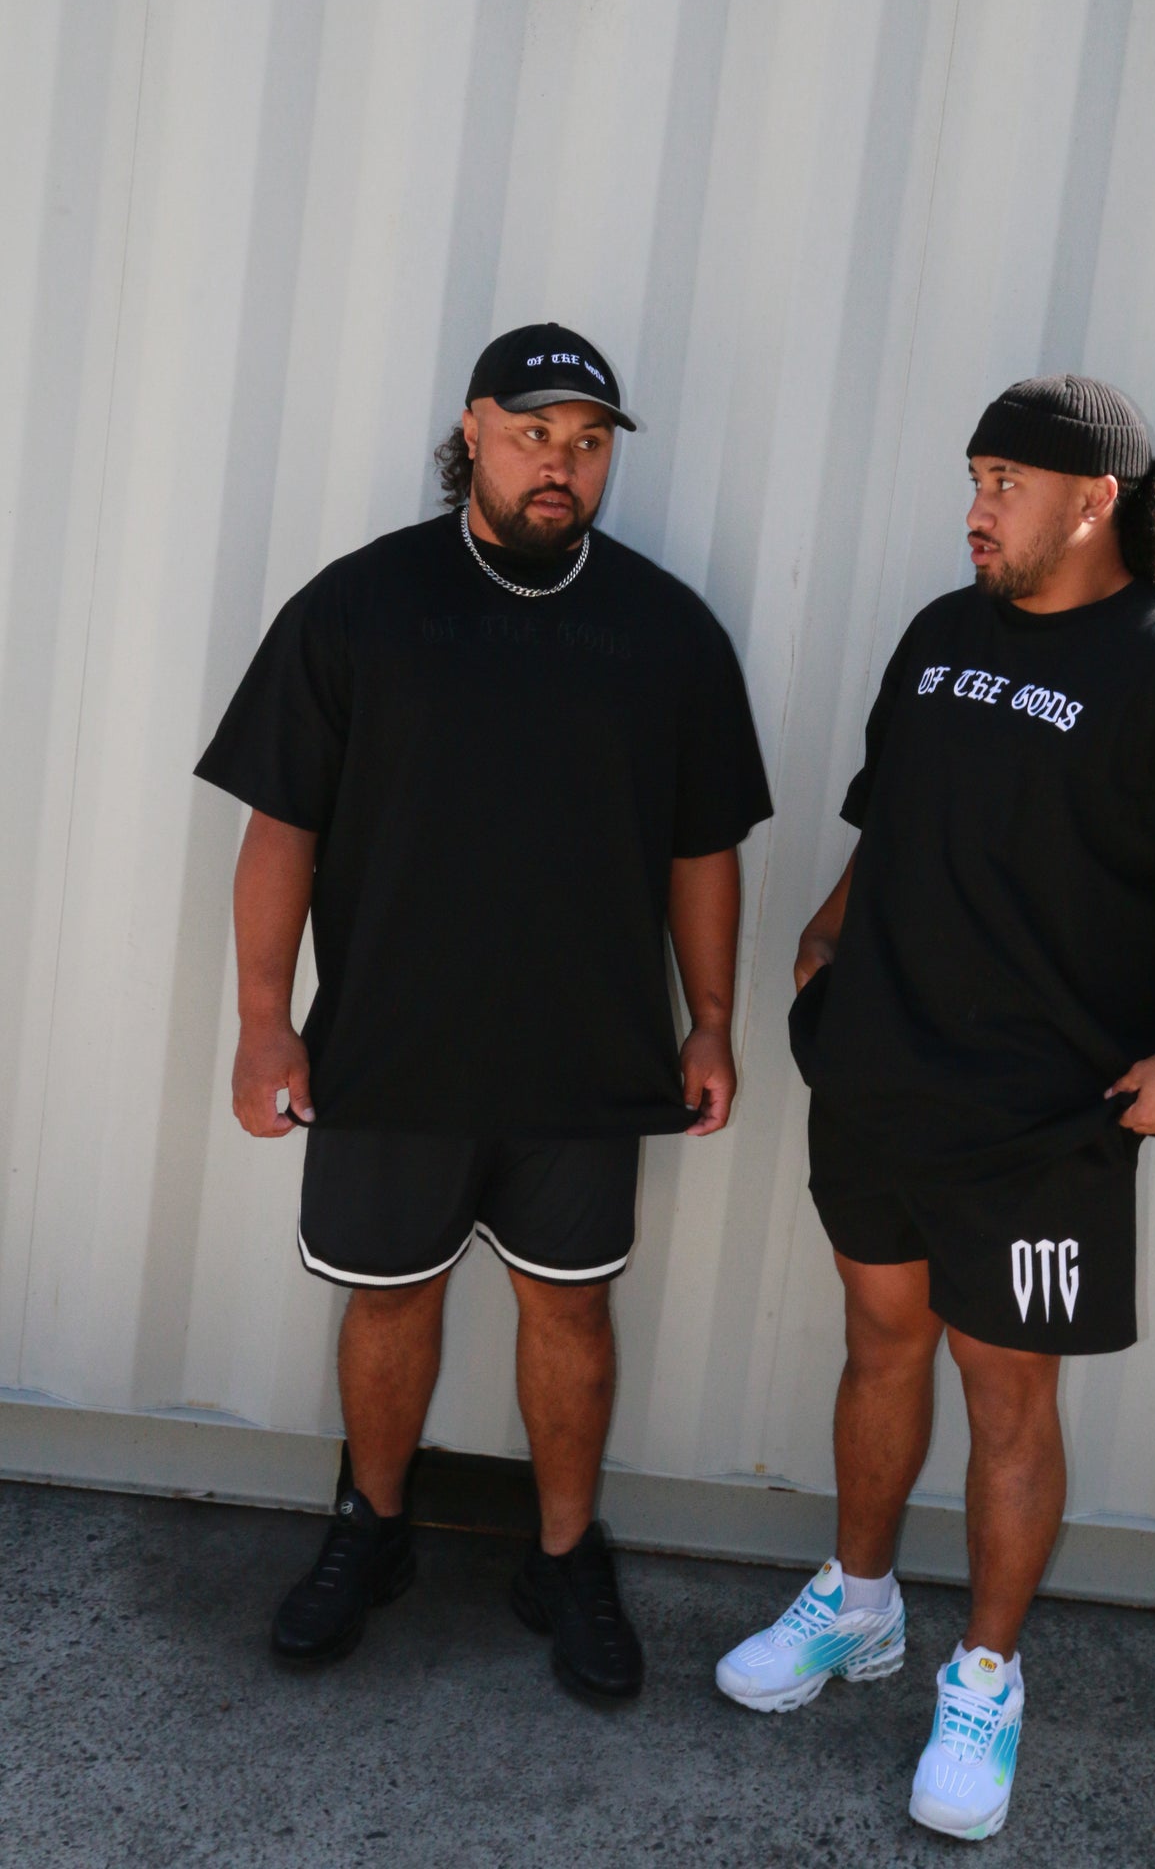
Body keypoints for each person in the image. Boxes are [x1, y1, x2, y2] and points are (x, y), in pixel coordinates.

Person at [714, 376, 1155, 1840]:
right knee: (877, 1345)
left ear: (1091, 500)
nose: (976, 506)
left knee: (1006, 1398)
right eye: (974, 476)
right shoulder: (942, 635)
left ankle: (982, 1679)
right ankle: (856, 1604)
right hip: (879, 1082)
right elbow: (892, 811)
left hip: (1041, 1122)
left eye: (1003, 480)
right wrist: (826, 930)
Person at [196, 322, 771, 1697]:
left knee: (567, 1314)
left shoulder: (663, 629)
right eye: (532, 435)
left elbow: (704, 849)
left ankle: (563, 1557)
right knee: (387, 1307)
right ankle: (371, 1533)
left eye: (586, 444)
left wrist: (708, 1023)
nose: (558, 466)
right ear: (472, 432)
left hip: (586, 1058)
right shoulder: (362, 607)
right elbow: (283, 828)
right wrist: (265, 1023)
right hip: (391, 1047)